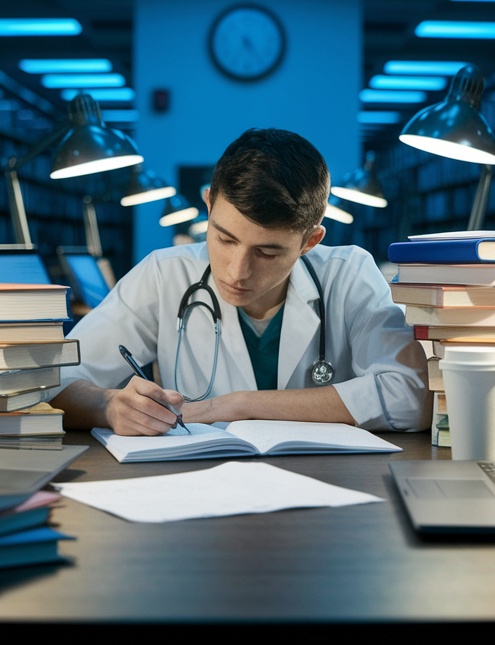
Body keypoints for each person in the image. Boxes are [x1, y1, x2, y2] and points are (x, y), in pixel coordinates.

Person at [50, 129, 428, 435]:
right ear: (209, 204)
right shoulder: (165, 274)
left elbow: (412, 395)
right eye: (225, 239)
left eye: (267, 253)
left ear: (310, 241)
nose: (236, 271)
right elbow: (50, 379)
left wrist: (238, 405)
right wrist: (107, 406)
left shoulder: (349, 275)